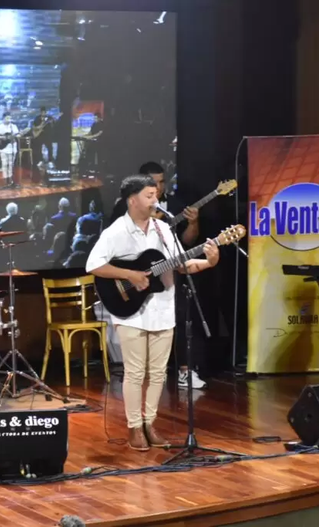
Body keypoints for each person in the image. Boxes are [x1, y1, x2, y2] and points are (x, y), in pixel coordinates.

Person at [86, 175, 220, 451]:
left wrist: (208, 262)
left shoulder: (163, 229)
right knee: (136, 372)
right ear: (132, 200)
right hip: (130, 310)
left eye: (156, 195)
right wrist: (130, 275)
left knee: (158, 373)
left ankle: (150, 423)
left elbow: (182, 264)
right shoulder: (116, 232)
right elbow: (93, 265)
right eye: (149, 195)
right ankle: (134, 427)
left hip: (163, 308)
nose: (155, 200)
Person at [141, 162, 205, 389]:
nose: (158, 187)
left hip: (170, 274)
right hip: (141, 276)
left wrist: (194, 222)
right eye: (153, 182)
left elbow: (187, 242)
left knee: (180, 316)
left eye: (161, 182)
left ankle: (185, 371)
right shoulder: (128, 206)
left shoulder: (174, 206)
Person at [0, 112, 20, 186]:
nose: (8, 119)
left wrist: (18, 136)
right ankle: (5, 179)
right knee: (5, 163)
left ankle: (10, 179)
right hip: (3, 148)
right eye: (7, 118)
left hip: (12, 147)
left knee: (11, 164)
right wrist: (3, 137)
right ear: (3, 119)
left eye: (9, 118)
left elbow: (18, 134)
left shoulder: (13, 126)